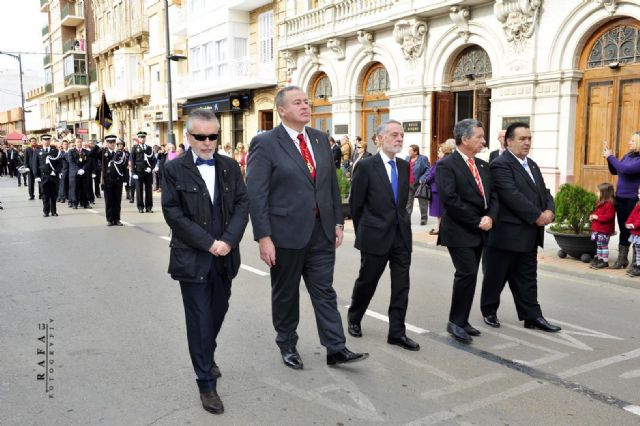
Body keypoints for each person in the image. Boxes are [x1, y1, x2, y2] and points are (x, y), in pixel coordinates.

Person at [247, 86, 368, 370]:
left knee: (324, 290)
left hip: (321, 231)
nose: (305, 106)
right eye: (298, 102)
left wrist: (338, 221)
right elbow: (257, 194)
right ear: (282, 110)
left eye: (307, 101)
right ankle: (287, 343)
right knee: (286, 292)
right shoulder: (265, 143)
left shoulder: (319, 138)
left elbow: (329, 186)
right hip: (284, 234)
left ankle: (335, 348)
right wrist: (264, 237)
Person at [162, 108, 248, 415]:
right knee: (199, 320)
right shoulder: (174, 170)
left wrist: (228, 240)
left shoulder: (229, 167)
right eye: (200, 137)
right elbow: (173, 214)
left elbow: (241, 204)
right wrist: (209, 243)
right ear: (188, 137)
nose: (207, 142)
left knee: (218, 311)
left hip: (225, 257)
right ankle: (206, 382)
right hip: (193, 259)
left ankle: (205, 353)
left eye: (213, 136)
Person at [480, 122, 561, 333]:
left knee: (527, 278)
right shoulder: (500, 164)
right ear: (508, 141)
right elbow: (511, 195)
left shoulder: (531, 164)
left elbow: (544, 192)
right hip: (506, 235)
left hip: (529, 235)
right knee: (496, 276)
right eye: (521, 139)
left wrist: (550, 211)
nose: (526, 143)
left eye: (529, 139)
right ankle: (489, 311)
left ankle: (532, 316)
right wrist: (536, 216)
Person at [347, 120, 419, 351]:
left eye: (401, 135)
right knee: (367, 282)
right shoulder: (367, 166)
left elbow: (403, 202)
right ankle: (354, 316)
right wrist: (365, 234)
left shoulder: (404, 166)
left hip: (401, 237)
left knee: (401, 286)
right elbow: (356, 205)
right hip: (374, 237)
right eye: (394, 135)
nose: (399, 139)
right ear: (379, 139)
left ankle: (397, 332)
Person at [436, 120, 498, 344]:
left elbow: (492, 196)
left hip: (481, 228)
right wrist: (477, 221)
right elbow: (450, 200)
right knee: (466, 272)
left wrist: (491, 216)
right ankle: (455, 321)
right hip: (459, 230)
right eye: (479, 136)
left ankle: (462, 320)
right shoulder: (447, 165)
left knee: (471, 275)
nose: (483, 140)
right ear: (465, 139)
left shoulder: (482, 166)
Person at [604, 131, 640, 271]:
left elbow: (625, 169)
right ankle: (622, 259)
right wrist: (608, 158)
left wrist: (611, 157)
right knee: (624, 229)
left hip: (633, 200)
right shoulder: (627, 156)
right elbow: (616, 170)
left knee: (635, 231)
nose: (629, 142)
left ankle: (636, 263)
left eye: (632, 140)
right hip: (620, 198)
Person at [425, 139, 456, 235]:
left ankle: (439, 229)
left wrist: (425, 180)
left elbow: (432, 174)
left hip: (437, 190)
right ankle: (440, 228)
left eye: (439, 151)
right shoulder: (451, 160)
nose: (438, 153)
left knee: (439, 212)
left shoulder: (440, 162)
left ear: (444, 152)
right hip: (443, 189)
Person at [589, 183, 616, 269]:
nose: (597, 192)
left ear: (604, 193)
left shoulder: (609, 204)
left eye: (598, 191)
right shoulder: (600, 202)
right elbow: (597, 213)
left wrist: (597, 217)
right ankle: (600, 259)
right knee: (599, 244)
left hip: (604, 229)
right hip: (598, 229)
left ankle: (605, 261)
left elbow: (609, 216)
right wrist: (593, 216)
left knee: (603, 245)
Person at [101, 135, 127, 226]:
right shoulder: (103, 152)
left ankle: (117, 219)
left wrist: (125, 180)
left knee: (117, 201)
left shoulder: (120, 153)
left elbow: (124, 167)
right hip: (108, 180)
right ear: (107, 143)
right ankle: (110, 219)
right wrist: (99, 146)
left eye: (113, 142)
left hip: (118, 180)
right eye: (110, 142)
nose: (112, 144)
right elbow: (92, 154)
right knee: (109, 201)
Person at [35, 136, 63, 217]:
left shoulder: (55, 151)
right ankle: (46, 212)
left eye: (48, 140)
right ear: (41, 141)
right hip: (43, 176)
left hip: (53, 176)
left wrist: (56, 171)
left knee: (54, 194)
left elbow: (59, 163)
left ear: (50, 141)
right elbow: (35, 164)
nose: (46, 141)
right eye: (44, 140)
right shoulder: (38, 151)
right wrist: (36, 175)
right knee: (45, 195)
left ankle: (54, 211)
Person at [130, 131, 157, 213]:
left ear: (145, 138)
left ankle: (149, 207)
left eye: (143, 137)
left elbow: (154, 160)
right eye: (141, 137)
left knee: (149, 190)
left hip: (147, 172)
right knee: (139, 190)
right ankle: (140, 207)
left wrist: (151, 168)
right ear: (138, 138)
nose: (142, 139)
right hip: (139, 172)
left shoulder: (149, 148)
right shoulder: (135, 148)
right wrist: (133, 173)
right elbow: (132, 161)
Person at [405, 144, 430, 225]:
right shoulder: (407, 158)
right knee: (408, 202)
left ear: (415, 152)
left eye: (410, 151)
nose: (408, 152)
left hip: (419, 184)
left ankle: (424, 219)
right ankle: (407, 219)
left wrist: (422, 178)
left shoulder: (423, 158)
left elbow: (428, 170)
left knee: (422, 202)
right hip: (409, 184)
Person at [624, 186, 640, 277]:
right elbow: (632, 216)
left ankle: (638, 266)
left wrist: (634, 225)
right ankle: (637, 266)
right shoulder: (638, 205)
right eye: (638, 193)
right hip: (636, 234)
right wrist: (628, 223)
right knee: (637, 251)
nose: (638, 195)